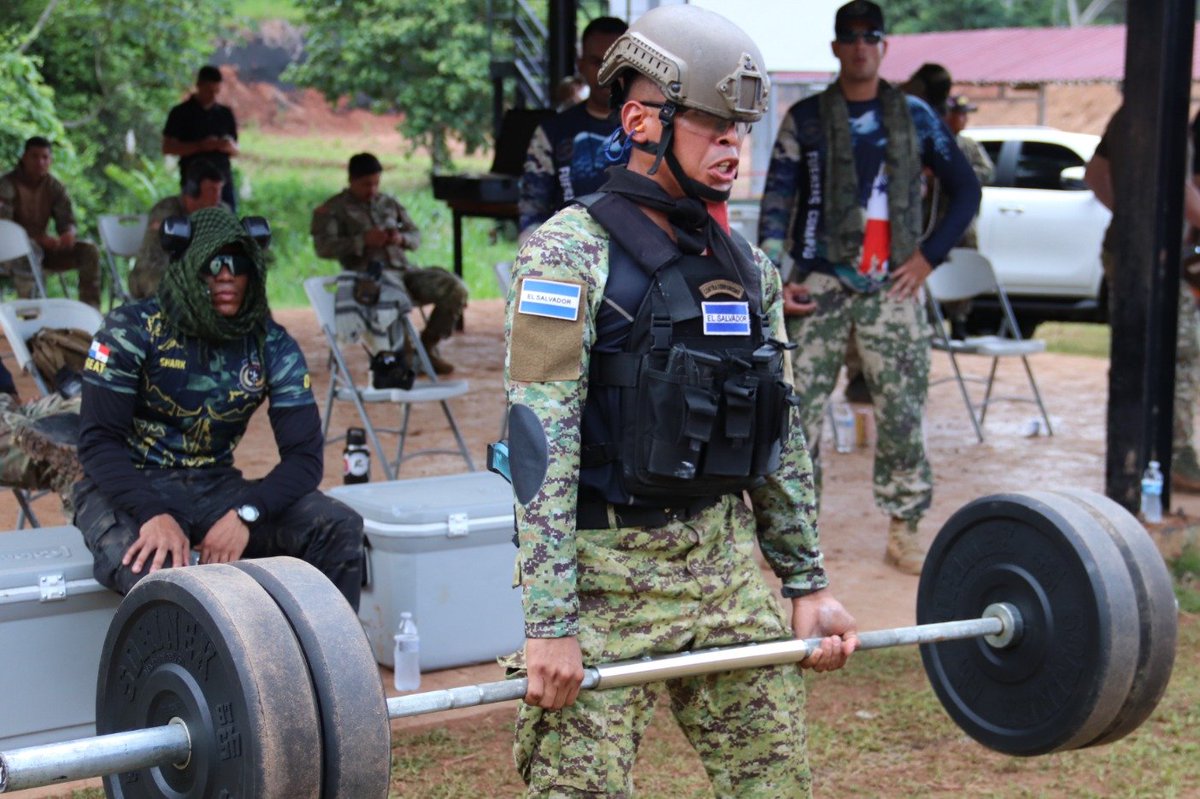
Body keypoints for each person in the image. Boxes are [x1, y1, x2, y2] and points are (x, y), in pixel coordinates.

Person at [504, 6, 857, 796]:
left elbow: (779, 436)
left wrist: (806, 582)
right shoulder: (566, 257)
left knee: (776, 786)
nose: (734, 146)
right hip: (605, 582)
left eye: (741, 129)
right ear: (640, 119)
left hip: (724, 572)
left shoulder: (747, 266)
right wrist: (550, 623)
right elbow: (539, 444)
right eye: (712, 125)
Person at [757, 0, 981, 574]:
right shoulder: (805, 119)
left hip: (893, 285)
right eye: (849, 37)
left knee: (903, 408)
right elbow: (777, 201)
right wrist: (777, 278)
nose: (859, 46)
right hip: (819, 281)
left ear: (883, 46)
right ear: (835, 48)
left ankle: (905, 528)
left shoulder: (915, 117)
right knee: (795, 410)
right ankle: (796, 536)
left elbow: (966, 190)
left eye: (870, 37)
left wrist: (928, 258)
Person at [73, 207, 365, 609]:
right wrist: (152, 514)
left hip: (215, 485)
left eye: (238, 262)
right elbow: (98, 442)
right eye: (212, 263)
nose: (226, 274)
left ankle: (330, 660)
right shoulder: (129, 330)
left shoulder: (271, 343)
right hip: (128, 485)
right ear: (188, 266)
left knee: (338, 526)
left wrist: (247, 513)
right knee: (160, 575)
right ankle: (180, 671)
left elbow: (305, 459)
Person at [1085, 105, 1200, 492]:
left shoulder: (1131, 114)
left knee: (1136, 354)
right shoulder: (1158, 115)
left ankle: (1137, 454)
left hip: (1132, 249)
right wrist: (1142, 221)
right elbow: (1181, 192)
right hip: (1150, 258)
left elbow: (1095, 174)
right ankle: (1172, 455)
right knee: (1181, 352)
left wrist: (1130, 216)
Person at [311, 152, 468, 374]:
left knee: (455, 288)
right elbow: (323, 248)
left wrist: (400, 239)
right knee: (394, 297)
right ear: (351, 180)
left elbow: (415, 235)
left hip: (405, 271)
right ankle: (405, 358)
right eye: (366, 184)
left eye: (376, 183)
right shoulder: (333, 209)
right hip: (369, 276)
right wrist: (362, 241)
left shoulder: (388, 203)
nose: (372, 190)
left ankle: (426, 348)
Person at [518, 16, 628, 243]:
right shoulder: (552, 131)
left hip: (640, 256)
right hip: (569, 254)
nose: (605, 74)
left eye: (614, 63)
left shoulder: (653, 128)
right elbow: (531, 210)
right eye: (597, 62)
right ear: (580, 65)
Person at [0, 137, 103, 307]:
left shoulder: (54, 186)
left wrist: (68, 233)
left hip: (43, 250)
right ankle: (31, 313)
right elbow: (5, 227)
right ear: (24, 157)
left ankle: (91, 314)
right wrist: (38, 239)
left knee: (89, 251)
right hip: (10, 252)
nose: (40, 162)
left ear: (51, 160)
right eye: (34, 156)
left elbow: (67, 219)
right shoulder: (7, 184)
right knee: (31, 250)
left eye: (45, 157)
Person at [128, 160, 226, 299]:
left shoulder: (220, 212)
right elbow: (154, 257)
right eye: (211, 190)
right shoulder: (166, 211)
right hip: (154, 271)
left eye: (219, 190)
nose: (217, 197)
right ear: (193, 190)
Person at [162, 65, 240, 212]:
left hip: (222, 179)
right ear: (199, 86)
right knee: (194, 223)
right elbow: (167, 147)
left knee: (227, 222)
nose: (212, 95)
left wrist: (224, 145)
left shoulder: (225, 114)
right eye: (209, 91)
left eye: (216, 91)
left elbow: (236, 149)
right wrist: (201, 146)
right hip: (194, 180)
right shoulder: (181, 113)